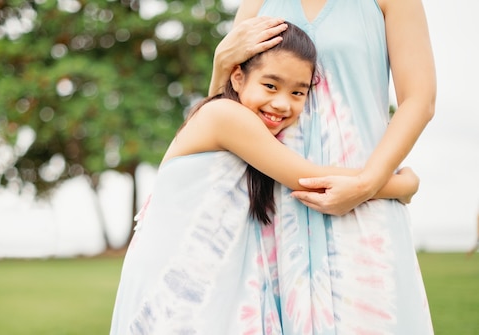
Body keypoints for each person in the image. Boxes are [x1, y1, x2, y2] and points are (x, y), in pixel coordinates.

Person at [109, 22, 419, 335]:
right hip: (174, 276)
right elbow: (309, 178)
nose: (283, 103)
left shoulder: (233, 119)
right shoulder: (225, 116)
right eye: (270, 86)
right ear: (238, 77)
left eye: (298, 92)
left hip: (197, 272)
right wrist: (403, 185)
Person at [209, 0, 436, 333]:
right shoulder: (256, 3)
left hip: (362, 208)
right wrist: (220, 62)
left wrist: (368, 185)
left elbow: (420, 99)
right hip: (270, 211)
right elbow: (226, 107)